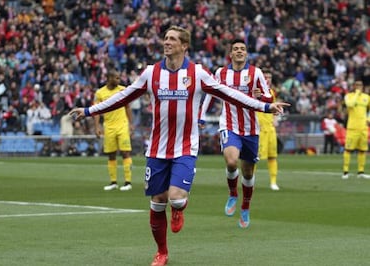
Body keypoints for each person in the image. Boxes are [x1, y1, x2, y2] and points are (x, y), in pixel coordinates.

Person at [69, 26, 288, 266]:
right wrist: (89, 111)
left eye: (172, 39)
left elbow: (230, 94)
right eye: (165, 38)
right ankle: (161, 252)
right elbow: (123, 97)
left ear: (184, 45)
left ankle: (180, 207)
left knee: (175, 198)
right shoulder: (151, 73)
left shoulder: (198, 73)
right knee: (157, 201)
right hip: (157, 149)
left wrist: (265, 106)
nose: (167, 42)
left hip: (185, 147)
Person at [199, 39, 273, 228]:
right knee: (231, 161)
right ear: (230, 54)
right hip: (229, 125)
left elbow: (269, 97)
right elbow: (210, 93)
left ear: (246, 53)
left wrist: (261, 97)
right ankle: (233, 194)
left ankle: (245, 206)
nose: (239, 51)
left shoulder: (255, 73)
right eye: (236, 49)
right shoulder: (221, 73)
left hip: (251, 129)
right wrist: (201, 116)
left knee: (248, 172)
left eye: (242, 49)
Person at [94, 69, 134, 191]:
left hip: (122, 125)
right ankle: (113, 182)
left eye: (119, 78)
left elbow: (127, 107)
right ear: (109, 78)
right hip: (109, 127)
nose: (119, 80)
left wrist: (131, 124)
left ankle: (128, 182)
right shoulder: (100, 93)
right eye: (116, 78)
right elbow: (96, 111)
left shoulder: (123, 90)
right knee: (111, 155)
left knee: (125, 152)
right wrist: (97, 126)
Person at [256, 70, 280, 190]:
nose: (268, 79)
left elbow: (274, 108)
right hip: (259, 130)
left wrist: (275, 118)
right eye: (265, 77)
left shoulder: (271, 93)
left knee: (272, 156)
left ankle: (273, 182)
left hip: (270, 129)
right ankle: (250, 181)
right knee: (254, 158)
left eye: (270, 77)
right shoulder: (255, 92)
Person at [342, 80, 370, 179]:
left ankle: (361, 172)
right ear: (354, 86)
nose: (359, 87)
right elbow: (350, 104)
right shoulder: (348, 96)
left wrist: (368, 118)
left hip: (363, 128)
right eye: (357, 85)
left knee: (362, 150)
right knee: (348, 149)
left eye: (360, 85)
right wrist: (357, 94)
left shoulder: (367, 97)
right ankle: (345, 172)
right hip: (352, 128)